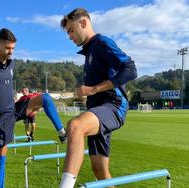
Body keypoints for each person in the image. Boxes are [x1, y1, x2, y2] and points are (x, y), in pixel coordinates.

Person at [0, 28, 66, 188]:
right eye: (8, 48)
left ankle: (63, 134)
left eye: (13, 48)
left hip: (14, 109)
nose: (11, 52)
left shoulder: (11, 63)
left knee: (45, 98)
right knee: (1, 159)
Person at [59, 8, 137, 188]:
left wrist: (93, 89)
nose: (70, 36)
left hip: (114, 106)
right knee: (100, 171)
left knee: (75, 126)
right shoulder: (90, 51)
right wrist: (87, 91)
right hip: (97, 110)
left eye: (71, 30)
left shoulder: (102, 43)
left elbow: (130, 69)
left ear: (83, 23)